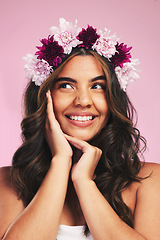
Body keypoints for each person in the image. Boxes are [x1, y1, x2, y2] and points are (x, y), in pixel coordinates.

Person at [0, 18, 160, 240]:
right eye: (66, 85)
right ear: (44, 96)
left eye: (97, 86)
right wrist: (60, 161)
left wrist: (84, 182)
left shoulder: (149, 181)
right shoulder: (8, 182)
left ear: (113, 98)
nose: (83, 100)